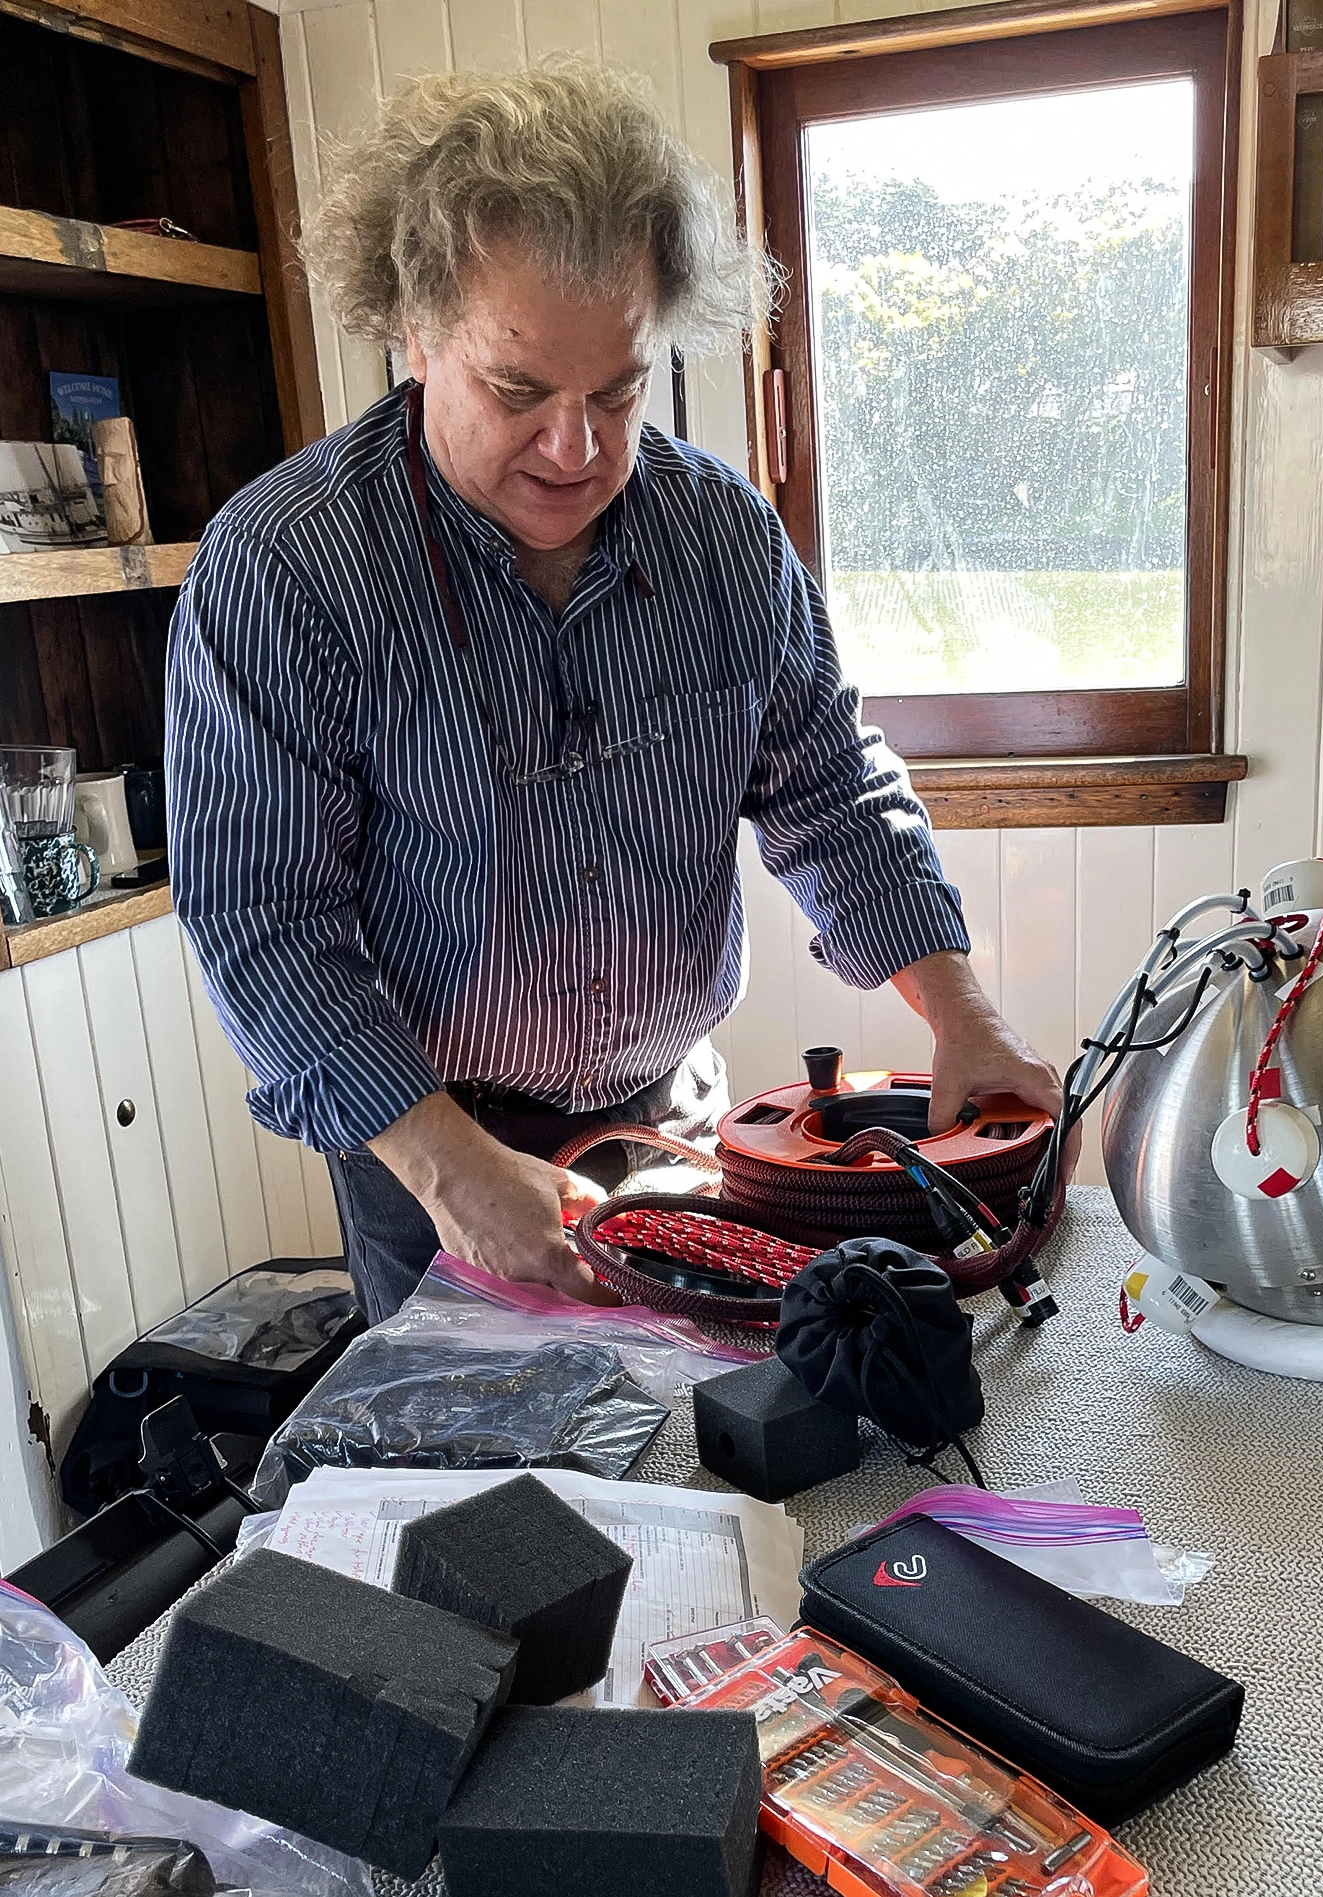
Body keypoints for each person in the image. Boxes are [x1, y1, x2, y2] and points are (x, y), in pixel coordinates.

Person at [166, 58, 1062, 1327]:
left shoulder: (726, 539)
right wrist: (451, 1169)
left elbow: (834, 791)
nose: (577, 448)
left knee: (696, 1452)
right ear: (414, 333)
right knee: (497, 1502)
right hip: (430, 1145)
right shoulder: (285, 571)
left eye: (621, 388)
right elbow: (263, 924)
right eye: (519, 390)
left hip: (683, 1114)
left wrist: (958, 1011)